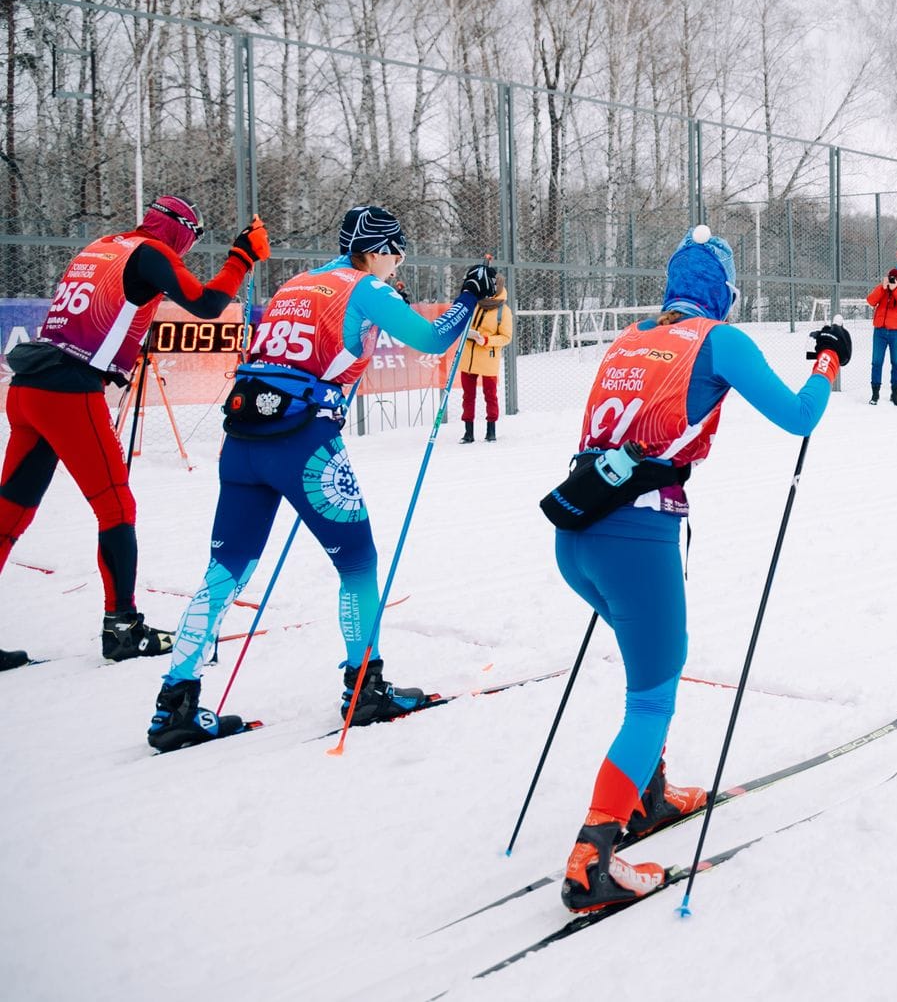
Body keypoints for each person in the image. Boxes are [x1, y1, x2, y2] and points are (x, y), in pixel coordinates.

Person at [551, 226, 848, 912]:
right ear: (724, 292)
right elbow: (799, 416)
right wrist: (827, 360)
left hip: (578, 529)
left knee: (645, 667)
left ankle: (646, 795)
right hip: (637, 534)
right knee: (652, 697)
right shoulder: (719, 339)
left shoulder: (631, 336)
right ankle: (593, 856)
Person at [145, 205, 497, 751]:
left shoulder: (297, 283)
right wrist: (471, 294)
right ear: (376, 250)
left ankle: (175, 703)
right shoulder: (365, 286)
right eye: (395, 252)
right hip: (304, 445)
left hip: (242, 441)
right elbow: (433, 341)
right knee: (358, 563)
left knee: (225, 571)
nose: (397, 263)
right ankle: (366, 689)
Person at [0, 196, 268, 670]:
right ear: (181, 230)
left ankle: (121, 622)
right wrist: (240, 258)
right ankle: (123, 627)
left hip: (28, 388)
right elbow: (206, 304)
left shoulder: (104, 244)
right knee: (116, 507)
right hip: (69, 391)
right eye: (193, 236)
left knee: (10, 513)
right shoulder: (152, 253)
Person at [459, 271, 513, 443]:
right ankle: (468, 432)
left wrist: (486, 340)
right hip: (468, 357)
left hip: (488, 357)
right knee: (468, 396)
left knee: (490, 395)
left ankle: (491, 430)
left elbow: (506, 337)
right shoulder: (474, 303)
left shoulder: (503, 310)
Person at [865, 266, 897, 406]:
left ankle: (895, 394)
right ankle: (875, 394)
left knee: (896, 363)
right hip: (880, 332)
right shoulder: (883, 290)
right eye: (891, 278)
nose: (892, 281)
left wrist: (895, 289)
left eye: (895, 279)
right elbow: (871, 301)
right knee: (876, 362)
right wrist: (882, 287)